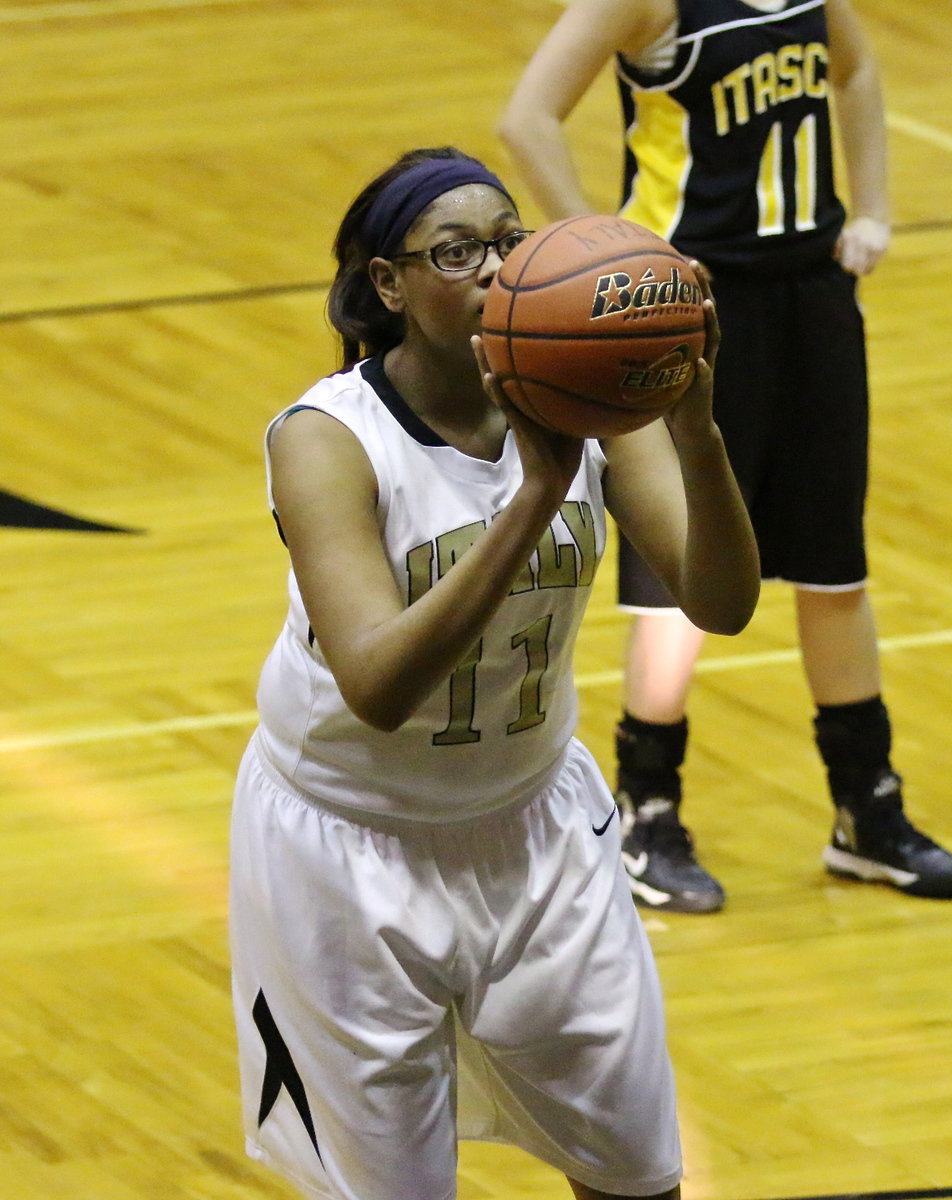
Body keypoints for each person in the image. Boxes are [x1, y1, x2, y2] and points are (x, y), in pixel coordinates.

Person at [228, 146, 759, 1200]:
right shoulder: (329, 438)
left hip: (536, 828)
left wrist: (695, 432)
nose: (493, 264)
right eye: (456, 249)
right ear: (390, 284)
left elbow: (723, 601)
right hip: (350, 844)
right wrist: (534, 497)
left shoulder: (590, 399)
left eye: (509, 241)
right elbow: (377, 686)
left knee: (639, 1173)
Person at [499, 0, 952, 912]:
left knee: (835, 569)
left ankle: (866, 813)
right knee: (683, 579)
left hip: (812, 298)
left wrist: (873, 206)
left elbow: (860, 70)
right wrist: (608, 259)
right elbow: (526, 117)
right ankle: (646, 808)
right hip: (694, 312)